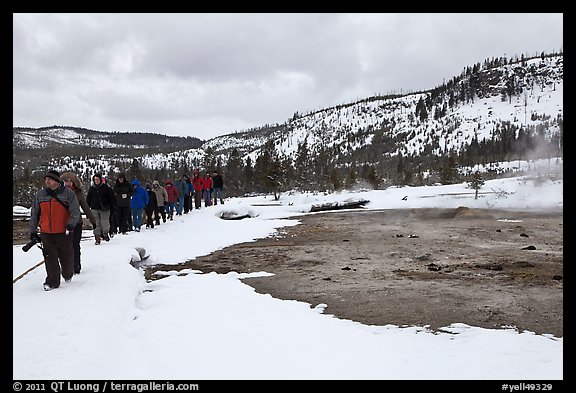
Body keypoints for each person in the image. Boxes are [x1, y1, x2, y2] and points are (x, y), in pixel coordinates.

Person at [29, 170, 81, 291]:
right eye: (46, 179)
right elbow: (34, 214)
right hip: (46, 231)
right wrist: (33, 231)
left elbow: (75, 211)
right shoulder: (40, 195)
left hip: (63, 231)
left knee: (66, 255)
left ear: (57, 181)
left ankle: (68, 273)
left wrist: (71, 225)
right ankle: (52, 281)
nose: (47, 181)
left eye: (50, 179)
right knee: (49, 256)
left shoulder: (68, 194)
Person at [60, 171, 97, 274]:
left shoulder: (78, 193)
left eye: (70, 181)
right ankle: (66, 266)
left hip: (77, 222)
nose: (68, 183)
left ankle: (76, 265)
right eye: (66, 181)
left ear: (74, 182)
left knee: (75, 244)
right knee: (65, 246)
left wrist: (93, 221)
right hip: (63, 223)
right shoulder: (58, 193)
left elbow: (86, 208)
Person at [86, 173, 117, 245]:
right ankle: (97, 238)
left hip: (105, 209)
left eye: (98, 179)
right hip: (94, 208)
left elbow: (112, 198)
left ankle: (105, 234)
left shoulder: (106, 188)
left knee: (105, 223)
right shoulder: (92, 188)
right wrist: (87, 209)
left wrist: (113, 207)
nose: (96, 181)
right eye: (95, 180)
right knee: (96, 224)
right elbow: (88, 199)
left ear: (100, 180)